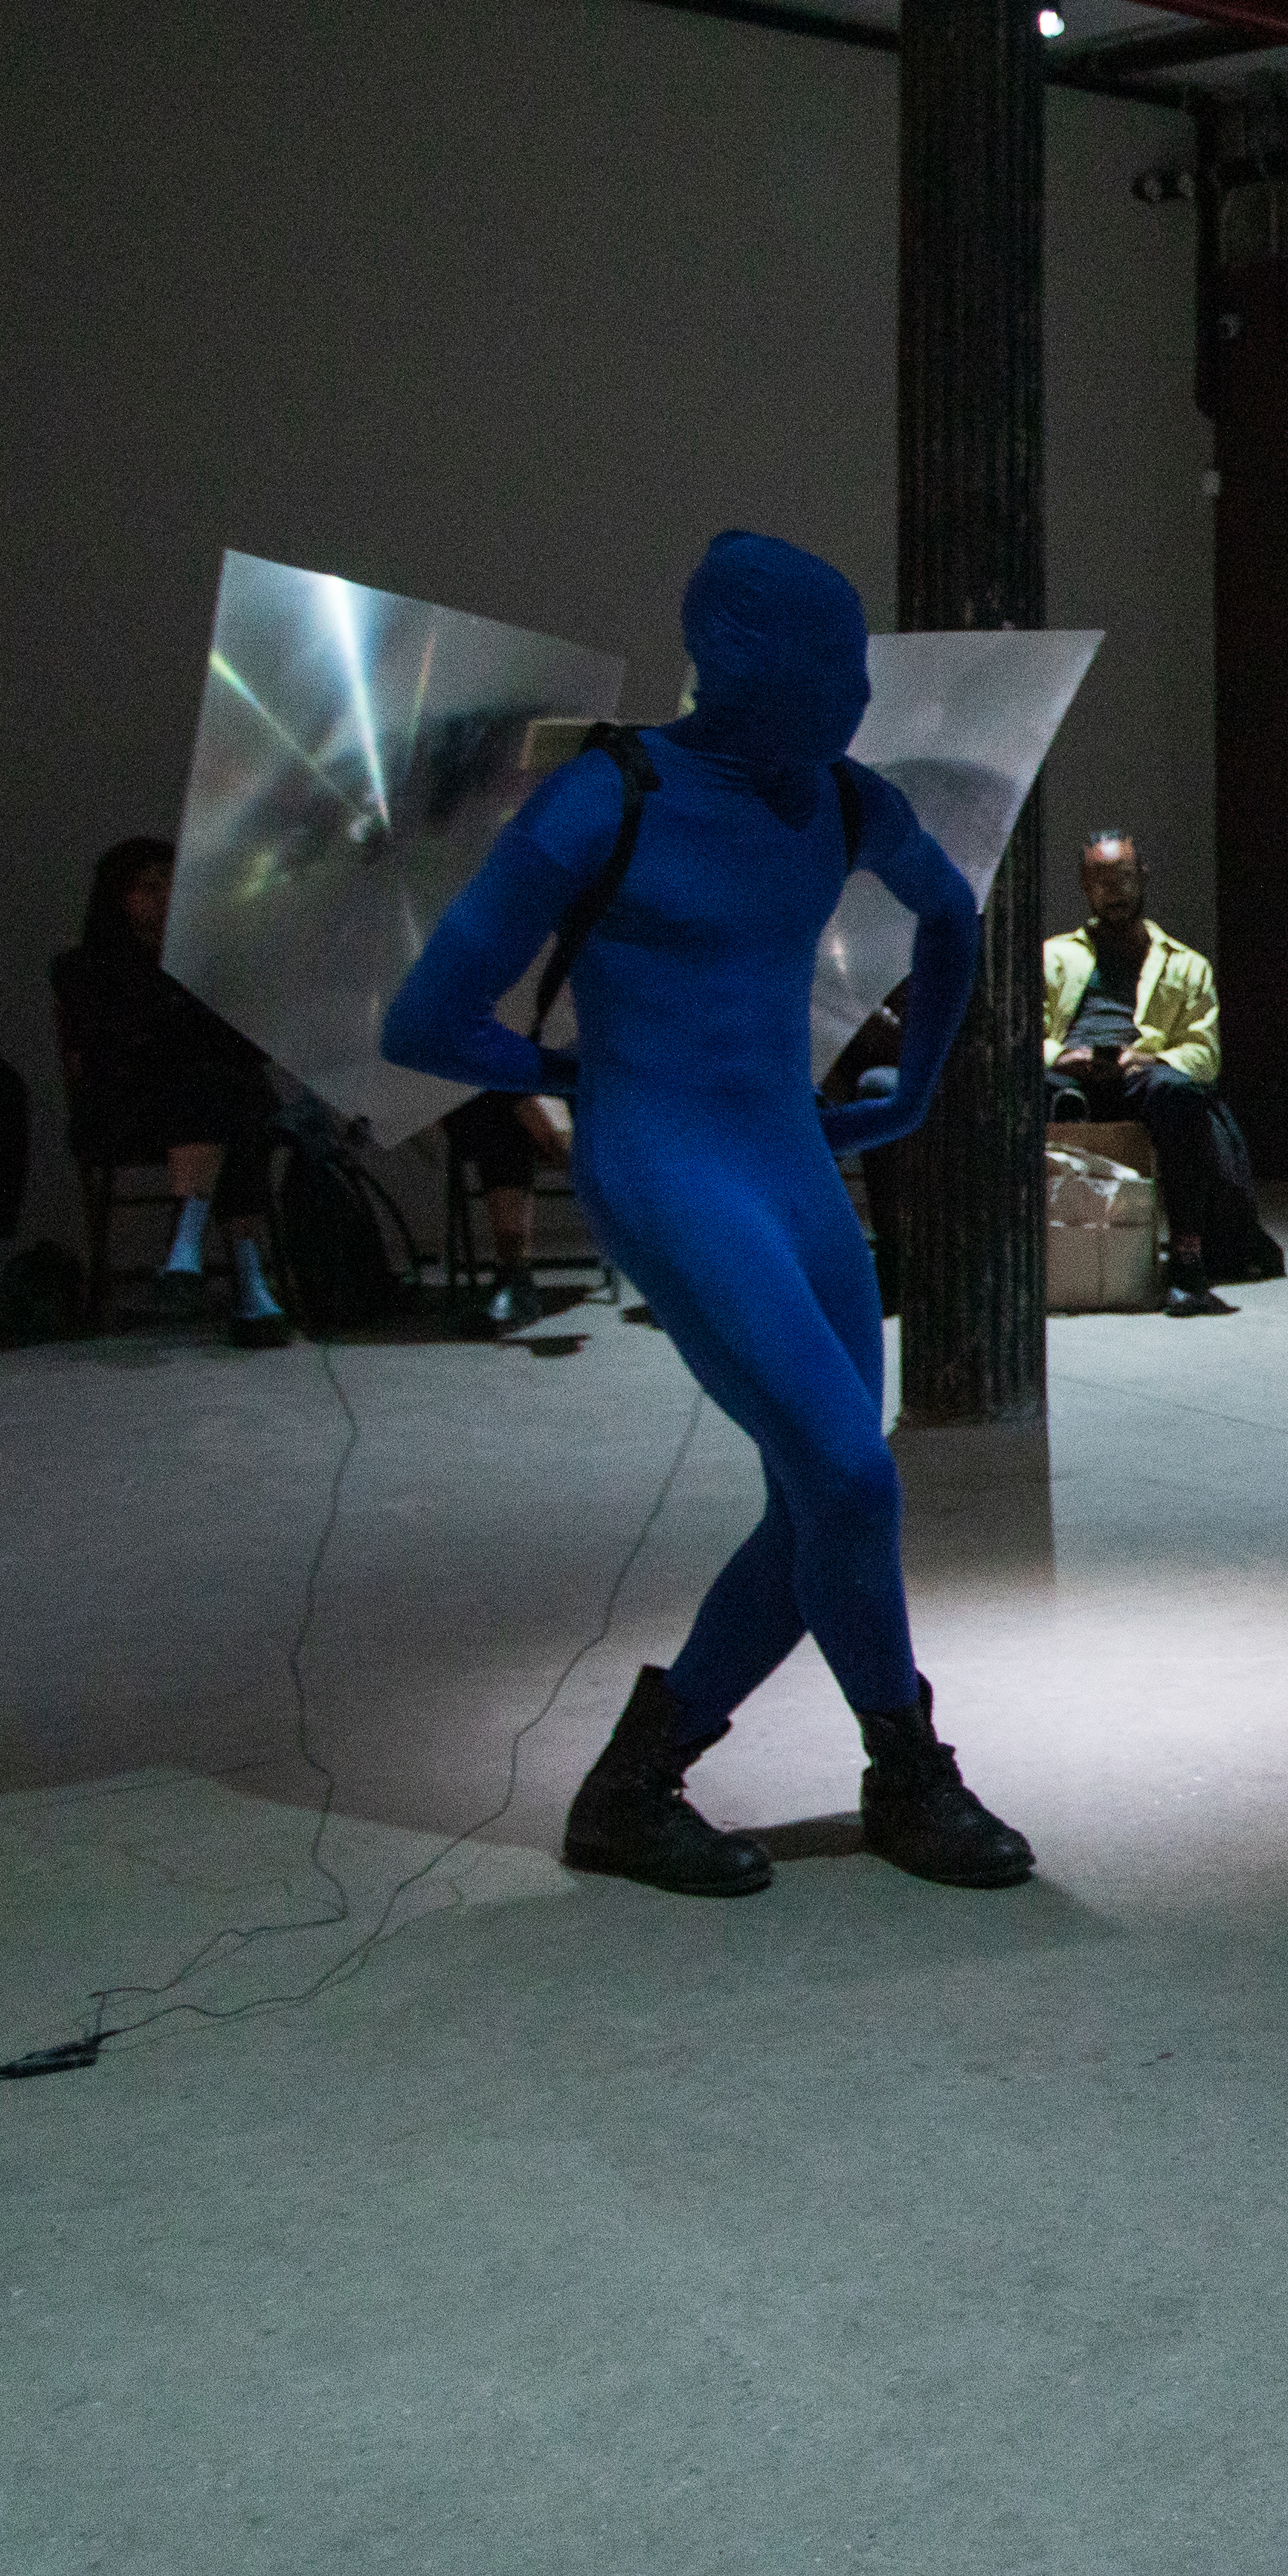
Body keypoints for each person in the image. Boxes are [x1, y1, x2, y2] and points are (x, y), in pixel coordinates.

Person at [382, 530, 1031, 1899]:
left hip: (786, 1161)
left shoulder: (841, 803)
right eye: (824, 669)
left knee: (829, 1497)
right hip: (667, 1166)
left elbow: (954, 915)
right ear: (735, 664)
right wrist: (578, 1073)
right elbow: (425, 1019)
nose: (851, 699)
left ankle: (632, 1786)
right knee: (851, 1479)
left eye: (856, 671)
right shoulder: (602, 802)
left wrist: (913, 1095)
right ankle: (908, 1766)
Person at [48, 837, 289, 1348]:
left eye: (171, 885)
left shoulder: (209, 960)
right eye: (149, 886)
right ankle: (249, 1284)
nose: (164, 897)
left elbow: (248, 1045)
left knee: (217, 1094)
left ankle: (186, 1252)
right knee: (217, 1094)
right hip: (127, 1107)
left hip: (204, 1101)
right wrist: (185, 1030)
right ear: (119, 897)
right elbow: (119, 1051)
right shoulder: (85, 967)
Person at [1040, 829, 1242, 1317]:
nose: (1116, 891)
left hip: (1141, 1079)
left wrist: (1148, 1059)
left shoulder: (1186, 964)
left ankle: (1188, 1262)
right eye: (1102, 880)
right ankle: (1023, 1256)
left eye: (1124, 878)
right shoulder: (1053, 956)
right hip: (1070, 1076)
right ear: (1085, 886)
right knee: (1028, 1084)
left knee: (1178, 1090)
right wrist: (1059, 1056)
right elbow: (1023, 1032)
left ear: (1142, 879)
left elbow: (1204, 1052)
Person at [439, 1089, 572, 1333]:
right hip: (483, 1103)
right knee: (499, 1104)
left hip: (540, 1092)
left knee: (502, 1106)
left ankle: (512, 1274)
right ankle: (515, 1274)